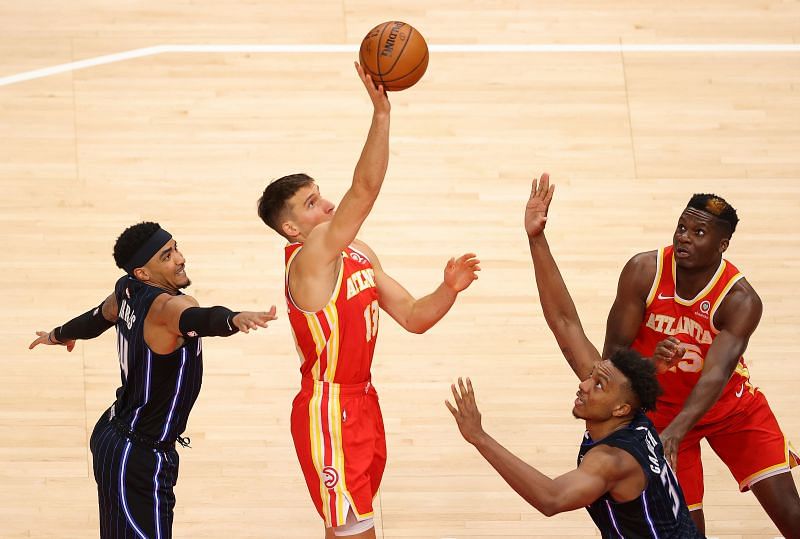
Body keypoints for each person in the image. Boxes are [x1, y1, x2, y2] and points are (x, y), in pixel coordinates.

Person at [256, 63, 480, 538]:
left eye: (321, 195)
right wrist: (381, 115)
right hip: (328, 407)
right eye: (312, 203)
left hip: (363, 402)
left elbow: (415, 317)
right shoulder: (309, 259)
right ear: (292, 228)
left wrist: (448, 290)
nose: (329, 204)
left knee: (352, 528)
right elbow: (365, 189)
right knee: (355, 533)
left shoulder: (358, 254)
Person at [446, 173, 700, 537]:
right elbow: (565, 323)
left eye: (597, 384)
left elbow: (551, 499)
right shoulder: (625, 406)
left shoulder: (612, 461)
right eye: (593, 377)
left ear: (620, 408)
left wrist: (479, 436)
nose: (584, 383)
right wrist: (536, 238)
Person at [29, 221, 277, 538]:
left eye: (175, 248)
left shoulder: (126, 289)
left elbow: (98, 316)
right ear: (143, 272)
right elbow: (199, 319)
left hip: (114, 434)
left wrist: (58, 334)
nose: (179, 258)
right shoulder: (168, 307)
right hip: (140, 455)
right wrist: (232, 319)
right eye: (166, 255)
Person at [603, 192, 800, 536]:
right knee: (686, 531)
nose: (683, 237)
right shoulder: (644, 271)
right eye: (682, 226)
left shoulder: (740, 300)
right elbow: (614, 354)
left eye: (698, 232)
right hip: (659, 410)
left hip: (730, 408)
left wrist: (677, 432)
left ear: (722, 245)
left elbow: (715, 375)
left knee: (792, 515)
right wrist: (651, 364)